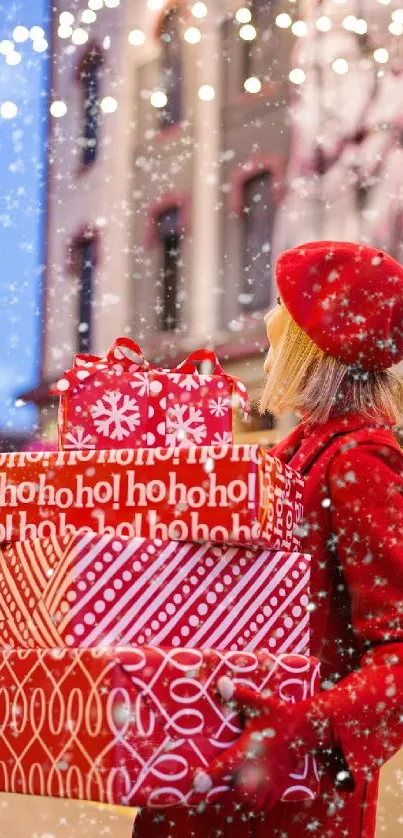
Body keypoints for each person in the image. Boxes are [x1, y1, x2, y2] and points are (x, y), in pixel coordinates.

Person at [133, 240, 403, 838]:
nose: (267, 318)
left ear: (316, 338)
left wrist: (305, 729)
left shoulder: (358, 459)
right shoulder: (298, 450)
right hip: (219, 769)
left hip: (282, 793)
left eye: (281, 305)